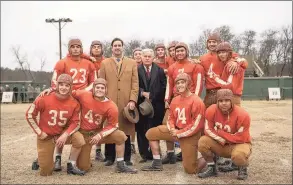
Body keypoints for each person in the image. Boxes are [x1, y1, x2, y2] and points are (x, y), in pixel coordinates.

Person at [33, 38, 97, 172]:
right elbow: (55, 80)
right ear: (69, 48)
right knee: (59, 127)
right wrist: (57, 91)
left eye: (78, 46)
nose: (75, 49)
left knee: (80, 129)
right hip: (65, 97)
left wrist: (83, 92)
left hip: (81, 99)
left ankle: (80, 159)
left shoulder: (88, 63)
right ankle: (57, 157)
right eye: (72, 46)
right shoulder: (62, 62)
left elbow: (94, 82)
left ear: (81, 48)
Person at [141, 73, 206, 174]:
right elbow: (170, 118)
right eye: (178, 83)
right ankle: (157, 162)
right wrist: (172, 129)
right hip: (176, 131)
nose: (180, 85)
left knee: (191, 170)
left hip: (190, 135)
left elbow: (196, 125)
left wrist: (179, 133)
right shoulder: (175, 99)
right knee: (151, 133)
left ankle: (208, 159)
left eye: (182, 82)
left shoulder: (196, 101)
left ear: (188, 83)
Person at [70, 78, 138, 173]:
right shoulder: (84, 94)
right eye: (97, 87)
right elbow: (67, 92)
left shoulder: (111, 106)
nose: (99, 89)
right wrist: (51, 90)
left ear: (106, 90)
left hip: (96, 133)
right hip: (83, 134)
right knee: (83, 167)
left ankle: (120, 164)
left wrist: (100, 135)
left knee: (120, 136)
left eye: (102, 88)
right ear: (93, 88)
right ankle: (83, 160)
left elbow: (113, 126)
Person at [25, 74, 86, 176]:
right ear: (57, 85)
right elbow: (29, 114)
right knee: (46, 172)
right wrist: (40, 132)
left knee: (79, 139)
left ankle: (71, 165)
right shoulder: (44, 97)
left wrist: (65, 134)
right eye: (61, 84)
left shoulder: (74, 103)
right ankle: (40, 160)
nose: (63, 88)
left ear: (71, 87)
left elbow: (76, 122)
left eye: (67, 85)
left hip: (61, 134)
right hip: (46, 136)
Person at [162, 42, 205, 164]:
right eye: (177, 51)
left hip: (190, 100)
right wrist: (167, 99)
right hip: (176, 100)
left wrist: (193, 100)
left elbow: (198, 84)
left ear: (186, 51)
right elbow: (169, 85)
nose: (180, 53)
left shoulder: (195, 66)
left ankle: (197, 153)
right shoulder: (172, 67)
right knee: (167, 123)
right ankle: (170, 153)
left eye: (182, 50)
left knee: (192, 125)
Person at [100, 37, 139, 166]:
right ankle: (109, 157)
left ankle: (127, 157)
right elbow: (101, 83)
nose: (117, 47)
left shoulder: (132, 63)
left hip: (126, 102)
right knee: (110, 128)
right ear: (112, 48)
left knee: (126, 128)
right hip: (109, 101)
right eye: (115, 45)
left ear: (123, 47)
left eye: (119, 45)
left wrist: (133, 100)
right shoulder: (105, 63)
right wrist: (103, 100)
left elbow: (135, 83)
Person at [197, 89, 252, 180]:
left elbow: (241, 138)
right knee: (203, 141)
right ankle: (212, 168)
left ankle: (242, 167)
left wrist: (220, 133)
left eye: (227, 100)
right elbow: (207, 130)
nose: (224, 103)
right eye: (221, 101)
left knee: (239, 155)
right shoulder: (211, 110)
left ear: (232, 101)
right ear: (217, 102)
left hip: (239, 143)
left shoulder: (242, 114)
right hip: (222, 142)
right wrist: (221, 139)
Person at [137, 48, 166, 163]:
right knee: (141, 129)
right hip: (141, 104)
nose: (147, 58)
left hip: (156, 104)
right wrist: (142, 93)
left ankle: (156, 153)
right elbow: (133, 85)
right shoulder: (136, 70)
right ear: (141, 58)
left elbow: (164, 86)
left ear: (153, 58)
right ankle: (144, 154)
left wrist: (152, 95)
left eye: (149, 56)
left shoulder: (159, 70)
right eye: (145, 56)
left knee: (154, 129)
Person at [211, 42, 246, 106]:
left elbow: (229, 85)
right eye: (219, 53)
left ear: (229, 53)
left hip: (231, 97)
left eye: (223, 52)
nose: (221, 55)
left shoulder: (230, 65)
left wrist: (216, 78)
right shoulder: (231, 63)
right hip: (232, 97)